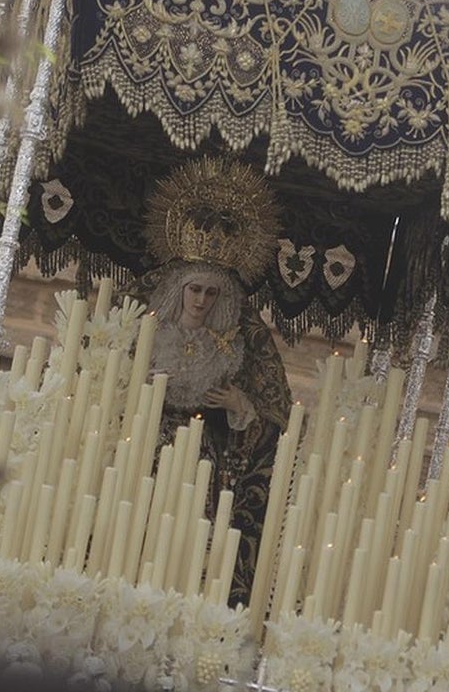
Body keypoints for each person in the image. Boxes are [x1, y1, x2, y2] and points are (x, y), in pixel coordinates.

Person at [139, 156, 291, 607]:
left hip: (200, 462)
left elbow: (268, 415)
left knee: (187, 544)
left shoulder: (232, 349)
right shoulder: (148, 334)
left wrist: (238, 407)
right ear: (178, 290)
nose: (202, 300)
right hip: (144, 448)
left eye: (211, 292)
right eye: (195, 290)